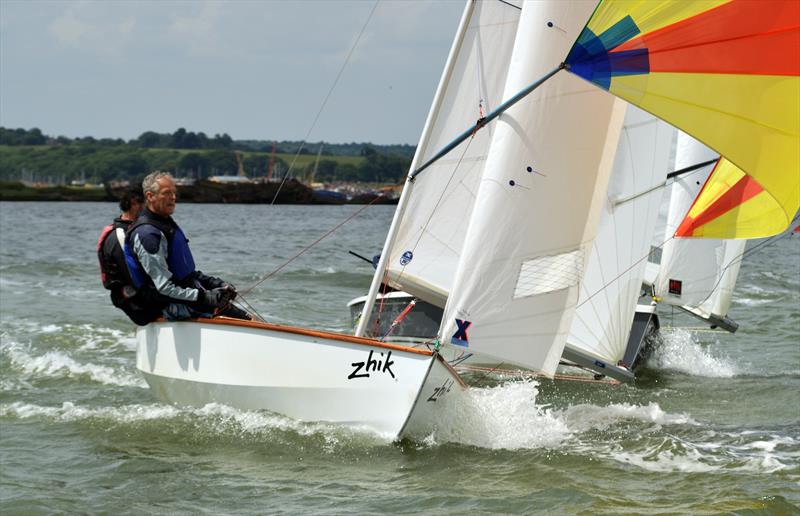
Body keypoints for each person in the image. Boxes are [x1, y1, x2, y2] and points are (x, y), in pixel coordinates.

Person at [124, 171, 251, 323]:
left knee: (245, 316)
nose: (173, 197)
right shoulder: (148, 235)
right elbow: (163, 288)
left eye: (174, 193)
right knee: (248, 320)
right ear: (150, 196)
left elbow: (186, 274)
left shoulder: (164, 225)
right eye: (167, 193)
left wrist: (215, 284)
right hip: (168, 306)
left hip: (185, 298)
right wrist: (205, 297)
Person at [97, 186, 162, 325]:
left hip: (146, 293)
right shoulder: (119, 236)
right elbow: (133, 277)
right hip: (136, 302)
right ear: (134, 202)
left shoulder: (138, 229)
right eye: (148, 203)